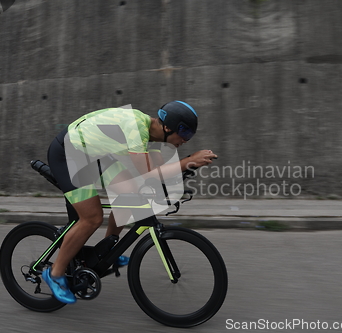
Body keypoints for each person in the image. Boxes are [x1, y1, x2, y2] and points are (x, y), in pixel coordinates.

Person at [42, 101, 217, 304]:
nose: (185, 141)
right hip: (68, 154)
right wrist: (188, 160)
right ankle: (54, 273)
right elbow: (149, 173)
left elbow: (158, 171)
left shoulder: (153, 138)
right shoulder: (135, 128)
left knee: (129, 195)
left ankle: (107, 250)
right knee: (91, 218)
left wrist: (180, 174)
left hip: (95, 156)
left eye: (190, 136)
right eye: (185, 134)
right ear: (168, 127)